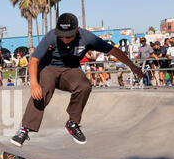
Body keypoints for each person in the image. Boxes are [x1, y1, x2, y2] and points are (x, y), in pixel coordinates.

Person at [10, 13, 143, 147]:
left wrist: (132, 66)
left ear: (77, 30)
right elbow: (33, 60)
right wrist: (33, 84)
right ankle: (24, 129)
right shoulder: (51, 36)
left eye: (69, 36)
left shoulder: (87, 37)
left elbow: (113, 51)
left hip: (71, 70)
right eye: (62, 36)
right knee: (43, 90)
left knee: (84, 85)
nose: (65, 39)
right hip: (48, 68)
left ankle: (72, 123)